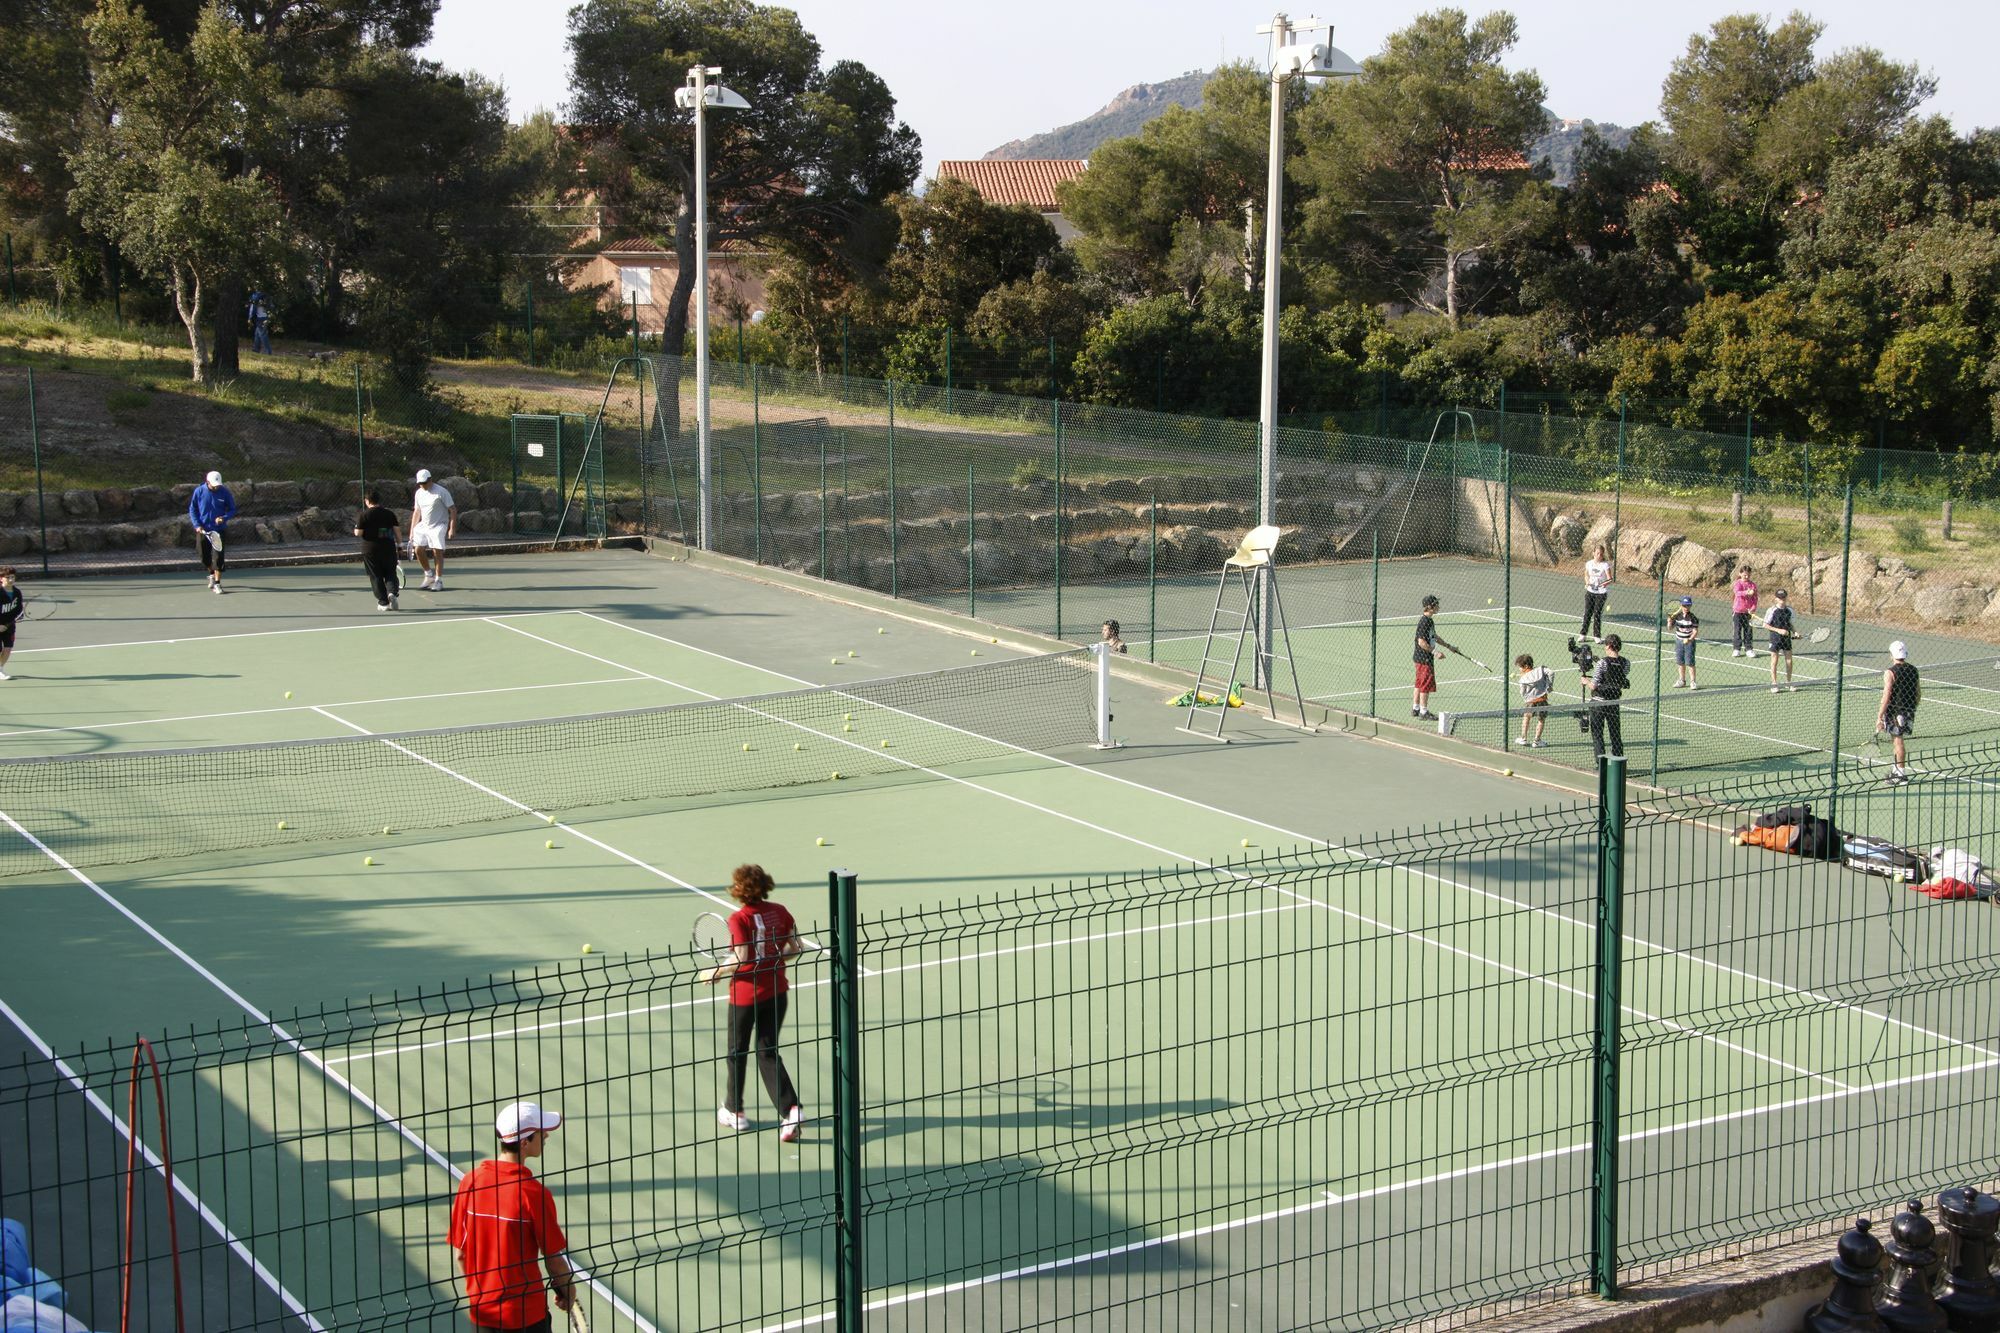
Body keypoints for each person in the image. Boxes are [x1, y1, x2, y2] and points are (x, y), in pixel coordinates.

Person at [447, 1100, 575, 1332]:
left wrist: (482, 1295)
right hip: (526, 1317)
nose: (546, 1135)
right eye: (541, 1132)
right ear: (525, 1142)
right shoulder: (533, 1194)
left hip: (483, 1314)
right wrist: (569, 1292)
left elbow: (461, 1255)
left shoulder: (470, 1182)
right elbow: (554, 1262)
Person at [707, 864, 804, 1141]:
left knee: (736, 1053)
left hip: (745, 998)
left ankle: (735, 1112)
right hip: (777, 992)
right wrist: (773, 960)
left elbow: (742, 957)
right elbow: (796, 948)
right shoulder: (781, 911)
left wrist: (716, 972)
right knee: (768, 1052)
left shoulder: (739, 919)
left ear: (738, 889)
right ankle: (791, 1110)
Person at [1877, 641, 1921, 786]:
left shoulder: (1890, 672)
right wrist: (1911, 708)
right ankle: (1897, 770)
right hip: (1908, 710)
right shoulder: (1914, 670)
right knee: (1897, 741)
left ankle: (1901, 775)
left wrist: (1879, 716)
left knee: (1898, 741)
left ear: (1891, 655)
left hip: (1894, 712)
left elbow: (1886, 696)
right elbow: (1918, 693)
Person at [188, 469, 236, 594]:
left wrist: (224, 518)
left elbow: (232, 509)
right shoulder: (199, 491)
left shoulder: (224, 492)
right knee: (204, 557)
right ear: (207, 482)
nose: (216, 488)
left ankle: (217, 584)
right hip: (203, 530)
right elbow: (193, 509)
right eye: (213, 485)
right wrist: (197, 525)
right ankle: (211, 574)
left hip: (219, 531)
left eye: (217, 486)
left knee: (218, 558)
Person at [409, 469, 457, 591]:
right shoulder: (419, 493)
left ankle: (438, 580)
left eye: (424, 483)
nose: (422, 485)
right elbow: (417, 511)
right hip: (423, 525)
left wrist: (452, 528)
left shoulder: (441, 492)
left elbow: (452, 509)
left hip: (439, 525)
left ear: (430, 480)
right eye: (420, 483)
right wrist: (412, 531)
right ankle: (429, 575)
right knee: (418, 549)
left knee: (437, 551)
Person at [1584, 634, 1630, 762]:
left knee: (1598, 734)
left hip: (1598, 702)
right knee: (1615, 733)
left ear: (1609, 646)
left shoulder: (1602, 662)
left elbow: (1594, 685)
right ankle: (1618, 760)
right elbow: (1618, 676)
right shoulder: (1626, 663)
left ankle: (1601, 762)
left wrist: (1585, 681)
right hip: (1614, 702)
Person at [354, 492, 402, 611]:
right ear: (379, 500)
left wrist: (356, 528)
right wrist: (400, 545)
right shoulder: (389, 514)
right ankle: (392, 593)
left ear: (367, 501)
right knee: (391, 573)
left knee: (376, 576)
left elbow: (358, 533)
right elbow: (397, 531)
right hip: (389, 548)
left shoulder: (363, 515)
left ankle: (383, 603)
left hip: (370, 550)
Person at [1412, 594, 1441, 720]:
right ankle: (1424, 712)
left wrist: (1449, 646)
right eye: (1436, 604)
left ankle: (1416, 708)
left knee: (1419, 683)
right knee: (1425, 684)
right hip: (1424, 658)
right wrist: (1435, 652)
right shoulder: (1424, 622)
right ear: (1429, 607)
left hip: (1420, 658)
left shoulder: (1429, 621)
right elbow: (1421, 642)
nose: (1438, 607)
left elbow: (1433, 636)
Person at [1763, 590, 1797, 692]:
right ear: (1776, 599)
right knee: (1774, 660)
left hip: (1786, 638)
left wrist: (1795, 632)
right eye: (1780, 597)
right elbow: (1765, 625)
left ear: (1786, 598)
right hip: (1775, 638)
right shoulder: (1771, 610)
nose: (1782, 599)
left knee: (1789, 660)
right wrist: (1778, 630)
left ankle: (1789, 683)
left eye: (1783, 597)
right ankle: (1774, 684)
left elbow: (1790, 624)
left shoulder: (1790, 610)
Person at [1515, 653, 1552, 748]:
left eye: (1520, 667)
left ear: (1526, 666)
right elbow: (1551, 672)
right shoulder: (1540, 671)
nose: (1519, 669)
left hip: (1530, 701)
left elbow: (1522, 691)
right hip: (1542, 699)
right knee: (1541, 719)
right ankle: (1537, 741)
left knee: (1526, 717)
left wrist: (1525, 697)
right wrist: (1549, 685)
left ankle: (1523, 739)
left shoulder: (1523, 678)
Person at [1580, 544, 1613, 641]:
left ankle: (1597, 636)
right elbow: (1586, 574)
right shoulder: (1589, 564)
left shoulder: (1605, 565)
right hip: (1590, 592)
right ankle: (1583, 635)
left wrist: (1602, 584)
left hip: (1601, 593)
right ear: (1593, 553)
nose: (1599, 555)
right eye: (1597, 553)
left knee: (1597, 614)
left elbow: (1610, 579)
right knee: (1587, 613)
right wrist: (1587, 583)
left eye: (1601, 554)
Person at [1669, 595, 1701, 689]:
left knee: (1690, 663)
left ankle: (1693, 682)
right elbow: (1670, 628)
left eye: (1688, 606)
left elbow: (1695, 631)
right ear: (1681, 606)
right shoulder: (1676, 617)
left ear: (1690, 606)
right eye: (1685, 605)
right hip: (1679, 641)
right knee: (1680, 662)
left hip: (1689, 643)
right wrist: (1669, 622)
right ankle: (1682, 680)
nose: (1686, 608)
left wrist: (1690, 639)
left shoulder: (1693, 618)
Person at [0, 567, 22, 680]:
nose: (10, 579)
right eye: (7, 577)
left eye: (12, 577)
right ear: (1, 579)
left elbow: (19, 611)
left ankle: (0, 669)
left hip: (9, 626)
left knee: (8, 648)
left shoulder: (17, 592)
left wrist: (7, 624)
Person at [1730, 571, 1759, 658]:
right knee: (1737, 631)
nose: (1746, 576)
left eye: (1748, 575)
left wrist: (1753, 607)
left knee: (1748, 631)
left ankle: (1749, 649)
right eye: (1744, 575)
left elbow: (1755, 598)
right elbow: (1737, 593)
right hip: (1738, 611)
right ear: (1740, 574)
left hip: (1748, 612)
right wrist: (1746, 592)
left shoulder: (1752, 585)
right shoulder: (1737, 583)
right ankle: (1736, 649)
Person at [247, 290, 273, 355]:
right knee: (257, 334)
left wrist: (249, 318)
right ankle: (256, 349)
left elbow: (252, 311)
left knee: (263, 335)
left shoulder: (255, 301)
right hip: (266, 317)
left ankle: (268, 351)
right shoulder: (265, 300)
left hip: (260, 319)